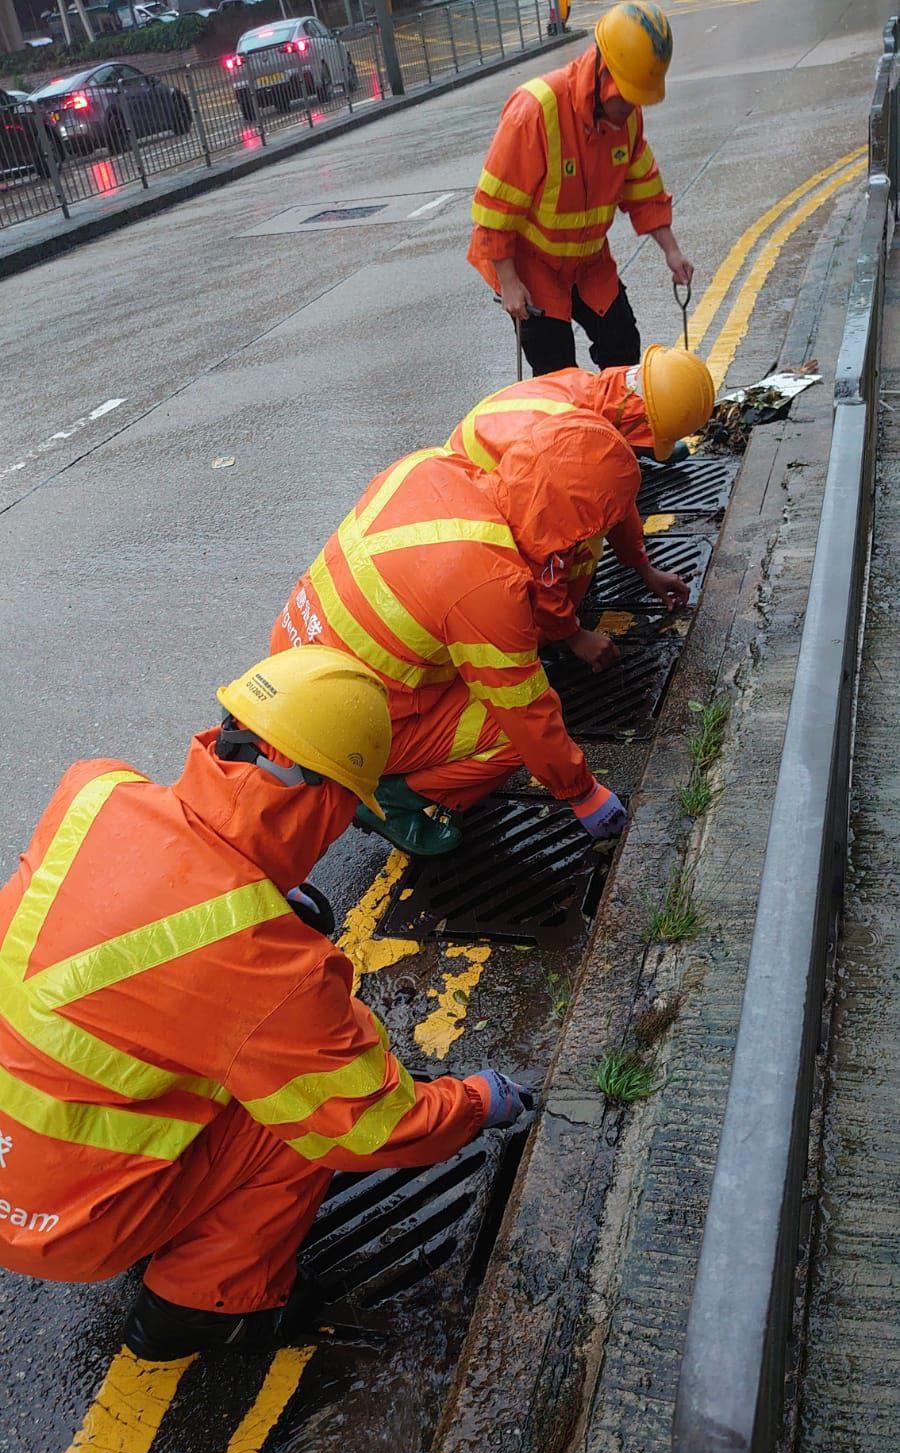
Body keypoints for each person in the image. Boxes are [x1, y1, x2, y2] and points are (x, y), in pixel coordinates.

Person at [0, 647, 529, 1362]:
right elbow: (372, 1128)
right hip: (57, 1224)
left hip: (30, 1154)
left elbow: (130, 903)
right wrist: (476, 1103)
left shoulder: (92, 791)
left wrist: (262, 889)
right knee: (302, 1114)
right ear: (324, 799)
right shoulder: (269, 970)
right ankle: (202, 1308)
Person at [270, 412, 639, 858]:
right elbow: (526, 716)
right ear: (576, 524)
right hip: (341, 725)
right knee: (512, 733)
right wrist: (583, 793)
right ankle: (390, 800)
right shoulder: (489, 583)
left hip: (292, 665)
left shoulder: (429, 466)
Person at [445, 343, 715, 665]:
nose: (645, 452)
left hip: (495, 488)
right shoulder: (563, 452)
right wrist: (573, 635)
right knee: (578, 549)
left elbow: (613, 499)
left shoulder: (593, 394)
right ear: (641, 422)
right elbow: (545, 552)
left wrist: (642, 566)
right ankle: (527, 638)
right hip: (472, 525)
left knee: (585, 527)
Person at [468, 2, 692, 376]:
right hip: (533, 265)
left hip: (588, 261)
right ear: (603, 72)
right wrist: (509, 283)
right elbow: (495, 212)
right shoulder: (536, 110)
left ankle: (618, 416)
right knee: (558, 373)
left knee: (622, 346)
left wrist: (672, 250)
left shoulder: (627, 117)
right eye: (625, 96)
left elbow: (643, 189)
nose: (631, 107)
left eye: (638, 97)